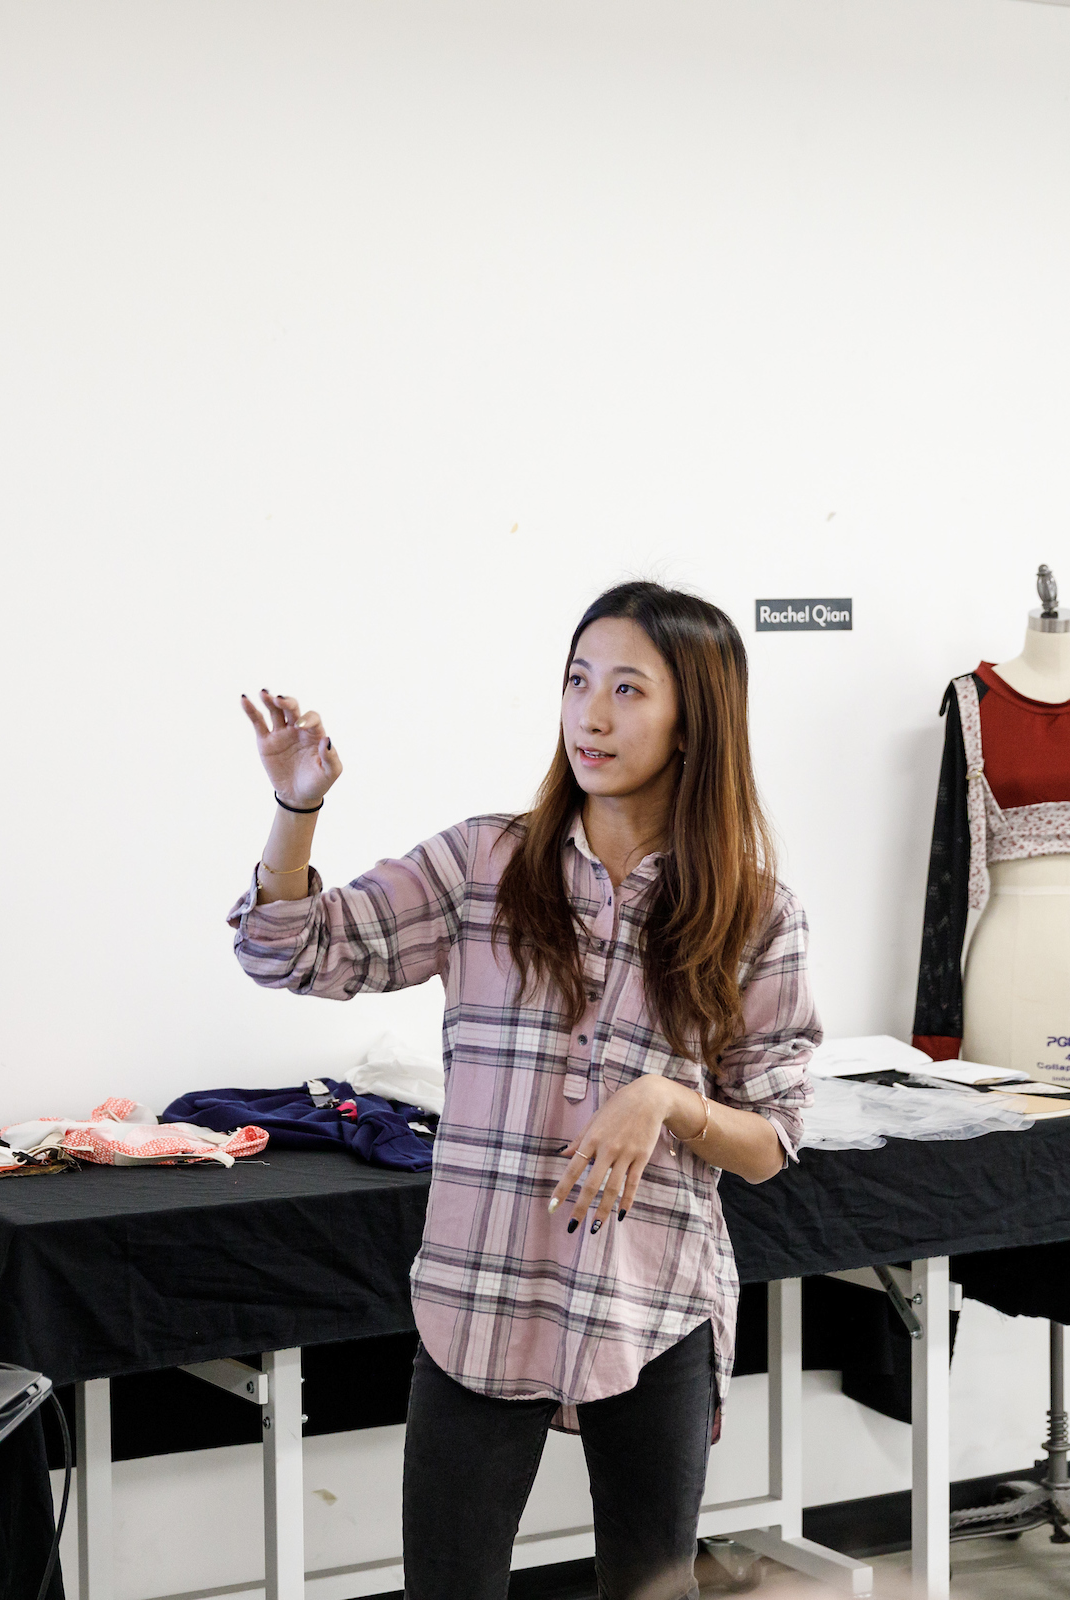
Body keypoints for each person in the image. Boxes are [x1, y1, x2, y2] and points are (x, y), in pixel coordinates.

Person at [229, 581, 817, 1600]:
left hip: (653, 1305)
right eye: (578, 680)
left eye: (629, 689)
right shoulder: (483, 865)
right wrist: (296, 807)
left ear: (695, 720)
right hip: (482, 1293)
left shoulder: (753, 912)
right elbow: (292, 951)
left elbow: (773, 1140)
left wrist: (667, 1101)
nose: (592, 713)